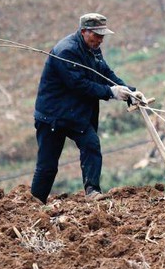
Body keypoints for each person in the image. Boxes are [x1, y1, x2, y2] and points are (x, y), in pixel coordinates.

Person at [30, 13, 139, 203]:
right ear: (83, 31)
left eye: (102, 36)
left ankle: (92, 192)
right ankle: (35, 203)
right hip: (52, 116)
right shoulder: (66, 51)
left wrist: (129, 91)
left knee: (91, 144)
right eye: (96, 35)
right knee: (48, 166)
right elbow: (79, 85)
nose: (100, 40)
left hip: (75, 115)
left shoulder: (93, 48)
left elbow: (104, 73)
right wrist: (111, 92)